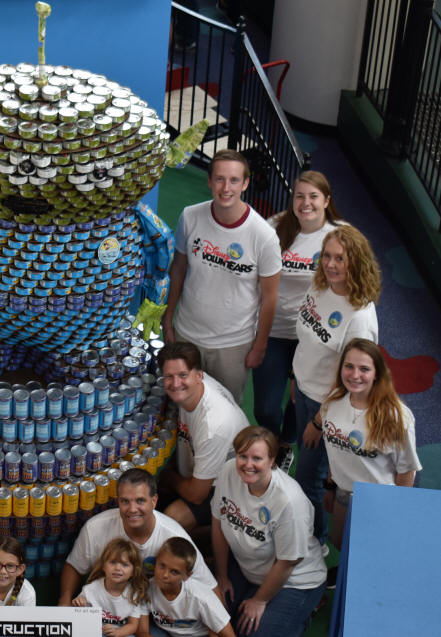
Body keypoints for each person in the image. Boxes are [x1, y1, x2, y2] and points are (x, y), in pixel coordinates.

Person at [161, 149, 282, 403]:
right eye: (219, 179)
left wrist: (260, 346)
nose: (226, 187)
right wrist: (168, 316)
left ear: (245, 183)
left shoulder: (264, 236)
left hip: (232, 346)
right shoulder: (190, 216)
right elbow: (179, 268)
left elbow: (270, 298)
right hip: (187, 333)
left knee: (224, 411)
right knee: (180, 404)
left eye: (234, 180)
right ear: (209, 181)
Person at [291, 224, 379, 544]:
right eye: (327, 256)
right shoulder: (320, 286)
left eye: (340, 258)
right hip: (303, 391)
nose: (330, 264)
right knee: (304, 468)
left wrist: (319, 419)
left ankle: (314, 542)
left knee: (308, 480)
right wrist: (295, 379)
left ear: (355, 262)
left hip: (324, 408)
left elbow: (354, 382)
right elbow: (307, 340)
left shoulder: (359, 317)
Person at [252, 171, 343, 467]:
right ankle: (270, 441)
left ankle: (286, 443)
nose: (306, 203)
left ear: (326, 201)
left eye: (313, 197)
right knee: (266, 406)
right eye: (299, 196)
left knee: (299, 401)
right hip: (274, 330)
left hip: (314, 336)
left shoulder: (338, 235)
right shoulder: (275, 227)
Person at [211, 427, 326, 637]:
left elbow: (288, 562)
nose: (248, 465)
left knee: (249, 632)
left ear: (272, 460)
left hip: (294, 581)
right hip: (249, 567)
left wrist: (259, 600)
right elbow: (218, 522)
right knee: (212, 615)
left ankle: (301, 615)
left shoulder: (289, 502)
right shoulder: (229, 471)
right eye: (242, 456)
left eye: (257, 458)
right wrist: (222, 575)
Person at [59, 468, 217, 606]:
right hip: (106, 610)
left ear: (154, 501)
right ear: (118, 502)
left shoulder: (174, 535)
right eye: (125, 501)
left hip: (153, 612)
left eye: (140, 501)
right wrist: (64, 601)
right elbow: (74, 566)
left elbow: (210, 587)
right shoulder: (95, 528)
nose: (132, 509)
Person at [318, 339, 420, 550]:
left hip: (379, 501)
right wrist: (330, 487)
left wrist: (395, 511)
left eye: (364, 369)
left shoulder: (397, 417)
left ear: (377, 374)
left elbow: (407, 471)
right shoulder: (332, 403)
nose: (355, 375)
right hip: (343, 493)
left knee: (369, 550)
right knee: (340, 543)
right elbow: (335, 453)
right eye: (349, 366)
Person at [155, 342, 249, 533]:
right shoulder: (192, 391)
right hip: (199, 466)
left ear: (199, 375)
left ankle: (213, 539)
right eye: (168, 377)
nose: (175, 384)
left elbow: (197, 494)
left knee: (173, 518)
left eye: (182, 375)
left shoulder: (213, 426)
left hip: (229, 489)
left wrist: (168, 478)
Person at [148, 537, 234, 637]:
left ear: (187, 576)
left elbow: (229, 634)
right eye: (162, 566)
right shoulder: (147, 588)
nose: (165, 575)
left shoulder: (201, 597)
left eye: (174, 572)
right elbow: (142, 630)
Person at [72, 538, 149, 637]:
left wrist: (117, 633)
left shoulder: (134, 593)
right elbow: (78, 613)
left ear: (133, 571)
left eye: (125, 564)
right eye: (112, 562)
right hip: (96, 631)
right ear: (103, 566)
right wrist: (79, 602)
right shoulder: (90, 590)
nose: (117, 568)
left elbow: (133, 625)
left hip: (122, 633)